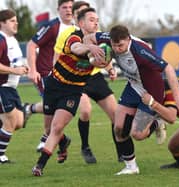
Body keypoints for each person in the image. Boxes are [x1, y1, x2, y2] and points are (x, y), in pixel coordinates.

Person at [84, 25, 179, 175]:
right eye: (114, 46)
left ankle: (158, 122)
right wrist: (91, 49)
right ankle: (131, 167)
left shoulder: (141, 51)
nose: (117, 49)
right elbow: (88, 37)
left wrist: (177, 96)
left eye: (120, 45)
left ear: (128, 39)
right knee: (119, 127)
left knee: (138, 134)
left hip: (152, 90)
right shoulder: (108, 38)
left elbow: (168, 68)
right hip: (133, 87)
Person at [31, 7, 107, 176]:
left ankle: (39, 166)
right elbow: (77, 48)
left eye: (97, 20)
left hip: (73, 90)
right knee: (49, 129)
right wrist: (90, 49)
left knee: (57, 127)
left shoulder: (100, 43)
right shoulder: (74, 36)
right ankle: (64, 142)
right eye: (92, 19)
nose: (96, 23)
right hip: (54, 85)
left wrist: (108, 65)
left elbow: (103, 59)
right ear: (81, 23)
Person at [53, 1, 122, 164]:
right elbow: (58, 57)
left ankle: (122, 152)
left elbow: (104, 54)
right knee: (85, 111)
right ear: (79, 19)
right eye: (87, 16)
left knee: (116, 114)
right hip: (77, 79)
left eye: (94, 17)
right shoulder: (68, 34)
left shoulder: (98, 34)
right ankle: (85, 147)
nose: (94, 21)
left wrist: (110, 68)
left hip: (96, 77)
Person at [26, 0, 74, 160]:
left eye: (70, 7)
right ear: (58, 10)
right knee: (52, 116)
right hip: (46, 75)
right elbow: (32, 45)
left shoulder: (77, 28)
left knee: (56, 116)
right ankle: (59, 143)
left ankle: (60, 142)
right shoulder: (52, 26)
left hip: (66, 77)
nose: (68, 10)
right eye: (64, 7)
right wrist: (33, 70)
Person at [0, 9, 29, 163]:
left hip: (11, 88)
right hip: (2, 87)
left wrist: (22, 67)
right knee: (10, 122)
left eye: (16, 20)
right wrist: (14, 70)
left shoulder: (13, 40)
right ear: (2, 23)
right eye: (12, 20)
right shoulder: (1, 39)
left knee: (18, 122)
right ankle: (0, 156)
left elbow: (13, 62)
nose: (16, 23)